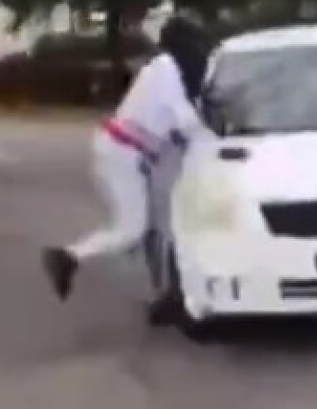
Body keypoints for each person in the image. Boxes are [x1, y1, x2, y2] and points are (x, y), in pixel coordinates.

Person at [42, 16, 214, 300]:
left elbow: (175, 127)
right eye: (196, 44)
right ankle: (67, 258)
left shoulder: (165, 71)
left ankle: (166, 294)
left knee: (158, 225)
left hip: (127, 152)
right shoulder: (166, 70)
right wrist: (215, 144)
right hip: (122, 153)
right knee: (132, 229)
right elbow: (185, 121)